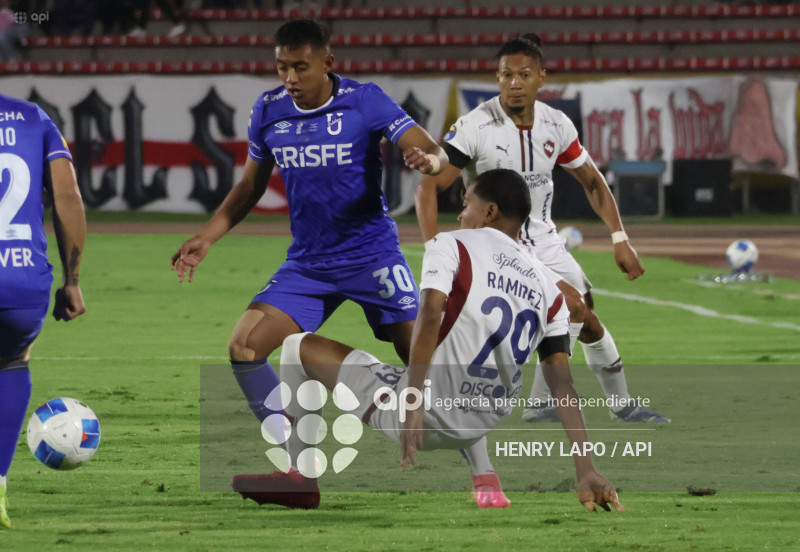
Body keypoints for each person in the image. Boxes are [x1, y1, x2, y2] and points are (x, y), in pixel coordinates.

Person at [232, 169, 625, 513]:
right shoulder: (548, 287)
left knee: (297, 347)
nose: (460, 213)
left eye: (467, 203)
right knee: (451, 354)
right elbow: (563, 385)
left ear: (489, 212)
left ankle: (300, 479)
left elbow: (432, 312)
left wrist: (414, 400)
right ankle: (484, 475)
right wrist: (586, 469)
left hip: (428, 416)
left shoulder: (451, 243)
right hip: (484, 419)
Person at [170, 16, 447, 483]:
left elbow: (428, 148)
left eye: (301, 67)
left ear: (328, 62)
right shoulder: (269, 109)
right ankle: (299, 461)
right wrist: (208, 235)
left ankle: (480, 464)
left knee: (430, 366)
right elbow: (249, 187)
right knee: (243, 345)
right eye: (282, 67)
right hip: (309, 265)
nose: (291, 78)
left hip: (372, 256)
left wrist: (430, 160)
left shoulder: (365, 100)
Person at [415, 34, 669, 424]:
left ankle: (600, 405)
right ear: (497, 79)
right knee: (569, 308)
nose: (514, 83)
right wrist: (434, 246)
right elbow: (429, 185)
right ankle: (534, 404)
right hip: (498, 242)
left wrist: (621, 239)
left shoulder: (556, 124)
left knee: (584, 315)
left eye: (524, 75)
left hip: (546, 241)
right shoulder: (476, 125)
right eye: (506, 75)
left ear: (541, 78)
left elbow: (593, 182)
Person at [0, 92, 87, 529]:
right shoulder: (33, 117)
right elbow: (68, 197)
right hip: (23, 279)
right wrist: (71, 281)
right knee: (12, 362)